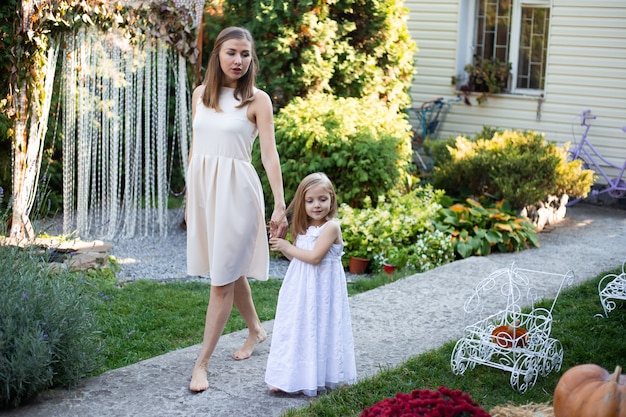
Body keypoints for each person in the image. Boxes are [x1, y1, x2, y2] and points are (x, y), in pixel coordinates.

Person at [186, 26, 288, 393]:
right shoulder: (201, 94)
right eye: (232, 52)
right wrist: (189, 195)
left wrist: (279, 204)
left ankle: (201, 364)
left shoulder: (258, 100)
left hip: (238, 196)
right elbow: (197, 148)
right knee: (228, 269)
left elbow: (268, 154)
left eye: (245, 54)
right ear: (217, 55)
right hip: (206, 194)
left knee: (221, 282)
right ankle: (257, 330)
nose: (238, 61)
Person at [265, 172, 357, 396]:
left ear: (331, 199)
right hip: (301, 290)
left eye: (322, 199)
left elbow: (315, 257)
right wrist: (282, 243)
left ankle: (318, 375)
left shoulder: (331, 228)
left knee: (319, 329)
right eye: (310, 200)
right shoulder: (305, 229)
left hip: (323, 291)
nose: (317, 205)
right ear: (303, 202)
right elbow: (300, 258)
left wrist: (287, 247)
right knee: (297, 330)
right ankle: (287, 376)